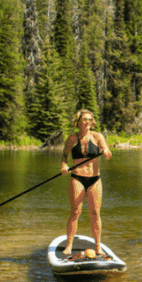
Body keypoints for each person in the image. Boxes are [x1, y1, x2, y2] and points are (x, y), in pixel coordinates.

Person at [60, 109, 113, 258]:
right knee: (75, 212)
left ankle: (98, 246)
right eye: (85, 119)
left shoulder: (97, 136)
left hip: (94, 179)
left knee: (95, 213)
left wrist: (106, 152)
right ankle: (69, 245)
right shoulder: (71, 139)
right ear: (78, 122)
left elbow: (107, 152)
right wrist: (64, 166)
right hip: (77, 178)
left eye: (90, 119)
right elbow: (64, 157)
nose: (88, 122)